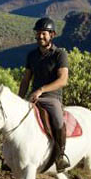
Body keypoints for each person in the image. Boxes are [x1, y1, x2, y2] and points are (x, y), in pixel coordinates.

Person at [18, 17, 71, 171]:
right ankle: (10, 157)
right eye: (38, 33)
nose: (40, 36)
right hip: (33, 98)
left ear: (52, 35)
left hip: (52, 97)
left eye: (44, 33)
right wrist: (19, 99)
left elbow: (63, 80)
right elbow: (26, 80)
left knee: (57, 118)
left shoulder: (60, 54)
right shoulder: (32, 55)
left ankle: (60, 156)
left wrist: (41, 90)